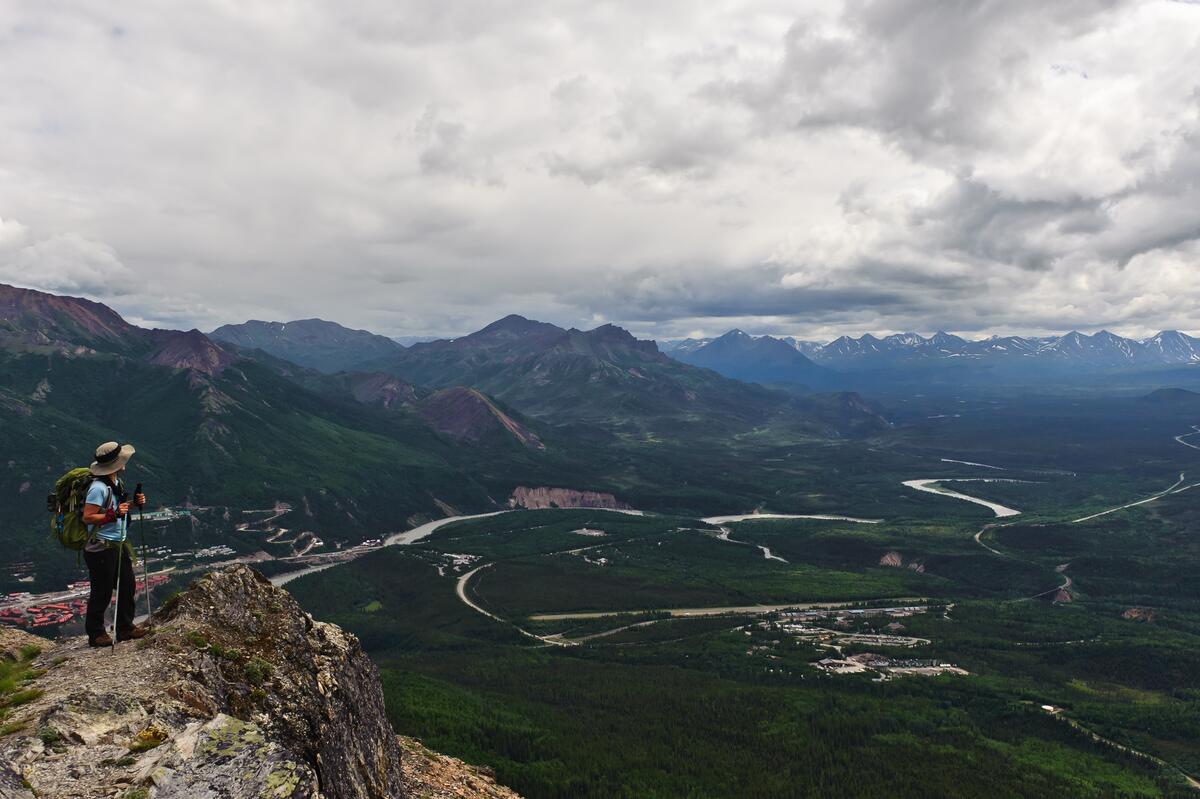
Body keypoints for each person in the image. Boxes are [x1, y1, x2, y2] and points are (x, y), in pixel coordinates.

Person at [80, 441, 148, 647]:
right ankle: (96, 633)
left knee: (127, 586)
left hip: (116, 544)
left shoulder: (115, 483)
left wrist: (136, 503)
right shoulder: (98, 488)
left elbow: (119, 508)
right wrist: (113, 514)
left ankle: (125, 627)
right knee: (102, 591)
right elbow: (88, 517)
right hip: (100, 547)